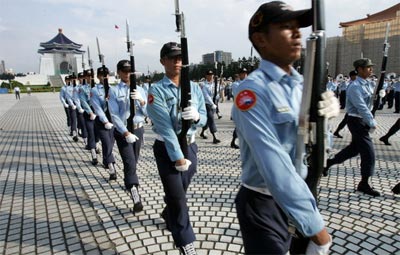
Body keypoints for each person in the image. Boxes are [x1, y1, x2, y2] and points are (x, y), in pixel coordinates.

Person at [232, 2, 337, 254]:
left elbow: (318, 146)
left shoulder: (303, 84)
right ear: (261, 39)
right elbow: (274, 166)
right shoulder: (252, 91)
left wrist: (326, 123)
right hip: (263, 204)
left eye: (298, 27)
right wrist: (316, 229)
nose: (297, 33)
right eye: (286, 27)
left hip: (301, 193)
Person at [147, 42, 207, 255]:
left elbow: (204, 115)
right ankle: (185, 241)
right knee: (179, 199)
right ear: (163, 61)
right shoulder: (156, 90)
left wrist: (198, 117)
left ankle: (168, 211)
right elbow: (165, 127)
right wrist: (178, 157)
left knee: (179, 192)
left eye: (180, 58)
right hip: (168, 150)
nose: (177, 62)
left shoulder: (194, 87)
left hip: (191, 146)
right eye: (172, 58)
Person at [324, 58, 381, 197]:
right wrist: (371, 121)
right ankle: (364, 183)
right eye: (368, 68)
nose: (371, 70)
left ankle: (329, 162)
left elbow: (369, 103)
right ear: (359, 69)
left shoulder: (368, 84)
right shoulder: (355, 86)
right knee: (368, 153)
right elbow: (361, 106)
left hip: (362, 121)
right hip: (356, 121)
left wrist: (380, 96)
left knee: (353, 149)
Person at [108, 60, 143, 213]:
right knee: (129, 162)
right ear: (119, 72)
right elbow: (114, 115)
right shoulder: (114, 91)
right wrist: (125, 132)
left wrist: (141, 101)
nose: (127, 74)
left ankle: (129, 180)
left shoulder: (141, 88)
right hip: (123, 132)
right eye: (124, 71)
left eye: (130, 71)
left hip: (138, 129)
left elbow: (149, 112)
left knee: (134, 161)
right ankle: (134, 193)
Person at [90, 67, 117, 180]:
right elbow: (97, 108)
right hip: (102, 122)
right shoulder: (95, 90)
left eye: (106, 75)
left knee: (110, 143)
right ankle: (112, 168)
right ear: (98, 76)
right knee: (106, 143)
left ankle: (106, 160)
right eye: (102, 75)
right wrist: (105, 121)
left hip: (113, 121)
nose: (104, 77)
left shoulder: (113, 89)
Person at [79, 71, 99, 165]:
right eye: (88, 76)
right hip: (89, 113)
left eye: (91, 76)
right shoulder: (82, 88)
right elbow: (83, 101)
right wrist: (90, 112)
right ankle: (94, 155)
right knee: (91, 132)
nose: (90, 78)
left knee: (97, 132)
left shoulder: (98, 87)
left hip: (98, 112)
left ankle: (97, 145)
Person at [333, 70, 357, 138]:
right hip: (352, 106)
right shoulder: (352, 84)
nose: (357, 77)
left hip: (353, 106)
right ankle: (337, 132)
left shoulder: (354, 83)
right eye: (356, 75)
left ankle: (337, 132)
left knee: (346, 120)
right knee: (349, 121)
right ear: (352, 76)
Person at [199, 70, 221, 144]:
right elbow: (206, 95)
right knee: (211, 118)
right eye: (209, 75)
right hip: (207, 104)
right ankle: (215, 137)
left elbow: (217, 93)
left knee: (208, 120)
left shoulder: (215, 84)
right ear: (206, 76)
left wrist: (217, 100)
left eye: (212, 75)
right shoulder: (203, 84)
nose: (211, 76)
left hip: (214, 103)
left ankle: (202, 131)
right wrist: (212, 104)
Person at [230, 68, 248, 149]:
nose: (244, 75)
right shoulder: (236, 84)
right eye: (242, 74)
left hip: (248, 107)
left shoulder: (248, 82)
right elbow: (238, 94)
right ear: (239, 75)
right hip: (240, 107)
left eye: (245, 73)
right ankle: (233, 141)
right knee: (240, 125)